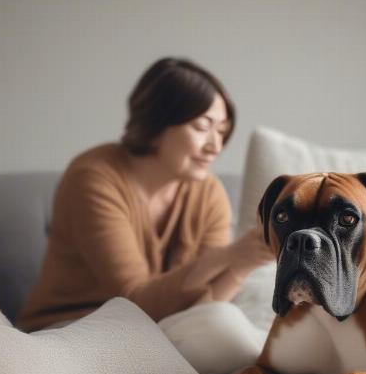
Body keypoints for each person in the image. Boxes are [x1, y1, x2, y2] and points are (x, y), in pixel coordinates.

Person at [16, 57, 273, 331]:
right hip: (70, 330)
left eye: (222, 132)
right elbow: (133, 302)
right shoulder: (94, 177)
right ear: (157, 121)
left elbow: (205, 309)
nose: (215, 146)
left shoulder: (209, 193)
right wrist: (225, 257)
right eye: (202, 127)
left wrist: (243, 264)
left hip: (159, 334)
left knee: (228, 329)